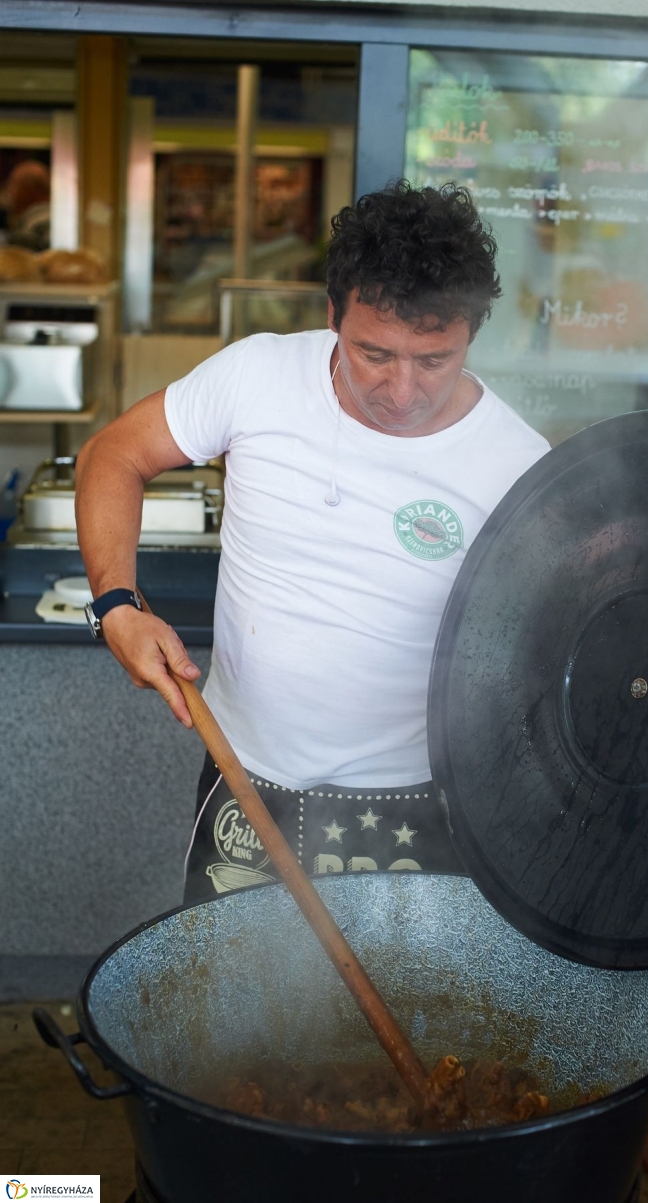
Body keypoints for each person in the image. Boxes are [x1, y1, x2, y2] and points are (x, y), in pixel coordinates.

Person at [75, 181, 549, 903]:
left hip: (415, 803)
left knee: (396, 1012)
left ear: (470, 335)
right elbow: (114, 454)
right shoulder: (257, 375)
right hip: (246, 778)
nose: (401, 390)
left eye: (433, 360)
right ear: (332, 315)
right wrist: (116, 605)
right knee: (228, 1008)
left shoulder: (516, 464)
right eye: (375, 354)